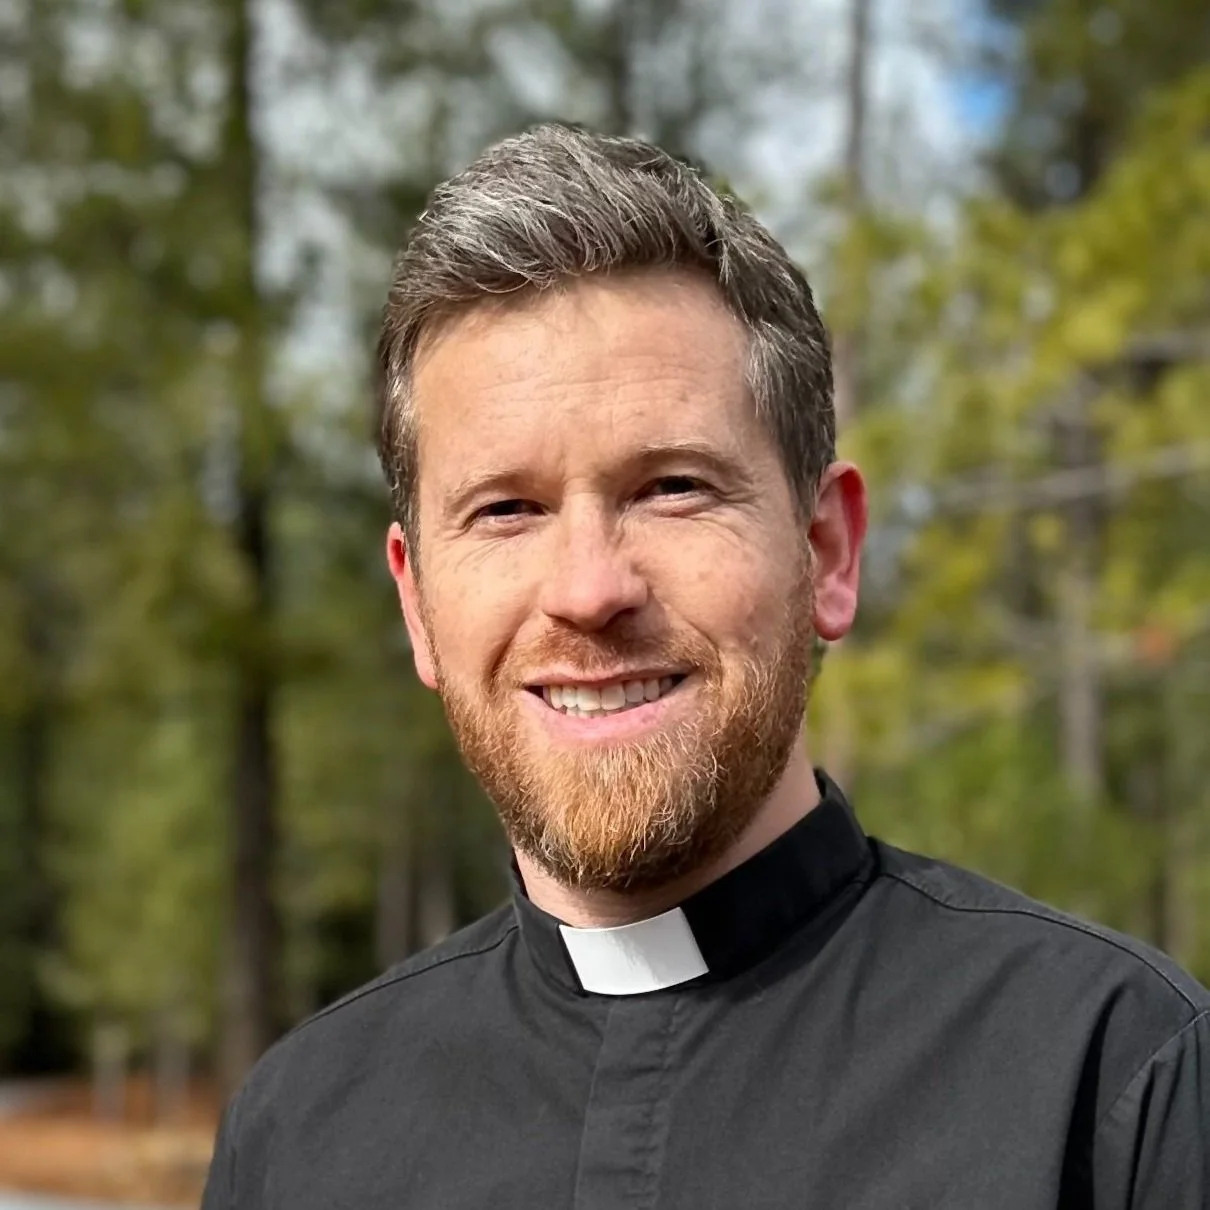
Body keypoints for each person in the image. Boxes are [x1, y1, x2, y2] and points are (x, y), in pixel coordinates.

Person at [201, 124, 1209, 1210]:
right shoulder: (298, 1138)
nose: (589, 589)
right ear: (417, 604)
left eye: (672, 488)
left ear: (827, 552)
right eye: (506, 510)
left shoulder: (1113, 1078)